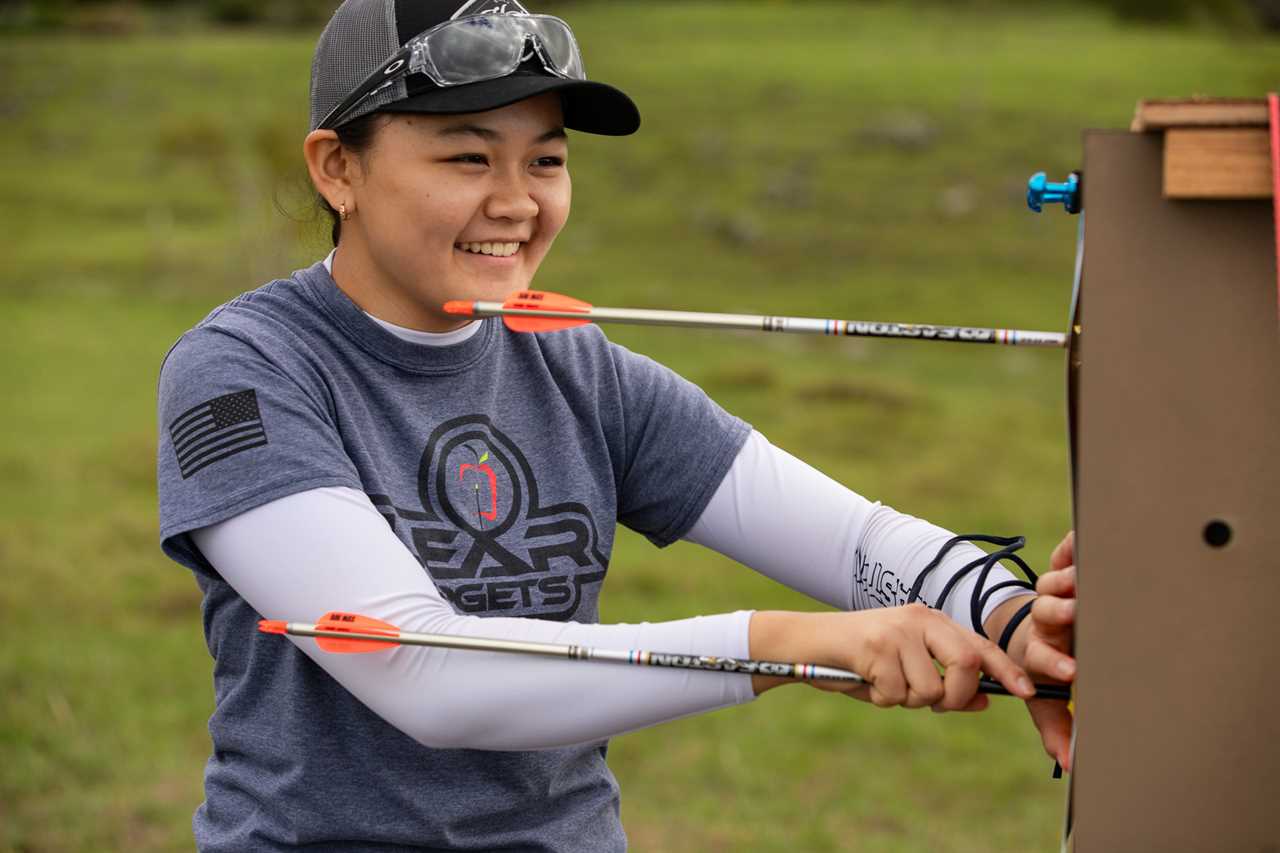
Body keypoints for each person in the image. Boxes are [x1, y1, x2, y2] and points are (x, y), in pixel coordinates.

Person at [155, 1, 1079, 850]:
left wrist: (1013, 614)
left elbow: (855, 541)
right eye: (468, 156)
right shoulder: (240, 370)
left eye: (546, 160)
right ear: (337, 168)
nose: (518, 201)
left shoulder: (570, 360)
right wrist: (787, 648)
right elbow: (426, 674)